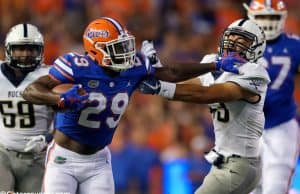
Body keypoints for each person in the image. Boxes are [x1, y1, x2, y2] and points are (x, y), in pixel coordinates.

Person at [21, 17, 244, 194]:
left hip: (99, 160)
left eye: (125, 45)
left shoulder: (135, 66)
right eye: (117, 48)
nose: (126, 52)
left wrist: (213, 65)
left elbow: (171, 72)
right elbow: (31, 90)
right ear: (96, 50)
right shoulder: (76, 65)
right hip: (63, 158)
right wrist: (58, 99)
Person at [139, 18, 270, 194]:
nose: (232, 45)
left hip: (241, 164)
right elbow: (180, 79)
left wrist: (159, 88)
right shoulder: (214, 63)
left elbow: (207, 94)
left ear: (256, 47)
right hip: (226, 163)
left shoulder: (254, 72)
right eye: (231, 38)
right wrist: (156, 69)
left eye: (241, 42)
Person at [243, 0, 300, 194]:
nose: (267, 21)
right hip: (247, 127)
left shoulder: (294, 46)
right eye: (263, 17)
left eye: (272, 17)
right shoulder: (239, 46)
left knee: (275, 187)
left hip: (280, 125)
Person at [0, 23, 54, 192]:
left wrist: (48, 138)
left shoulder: (49, 76)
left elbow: (65, 115)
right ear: (8, 50)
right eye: (20, 49)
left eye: (31, 49)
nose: (25, 54)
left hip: (36, 158)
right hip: (3, 153)